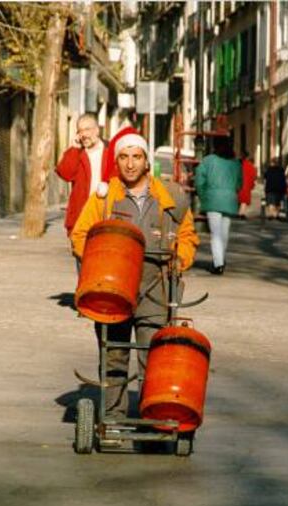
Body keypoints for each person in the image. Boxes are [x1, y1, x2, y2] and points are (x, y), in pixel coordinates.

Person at [71, 133, 199, 418]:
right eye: (124, 157)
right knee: (114, 354)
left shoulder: (171, 198)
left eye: (136, 157)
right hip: (112, 291)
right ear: (116, 161)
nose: (130, 164)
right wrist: (98, 259)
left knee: (153, 357)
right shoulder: (104, 199)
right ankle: (113, 417)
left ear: (146, 161)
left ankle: (150, 416)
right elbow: (80, 235)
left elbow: (187, 235)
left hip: (157, 289)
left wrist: (181, 257)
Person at [194, 136, 242, 275]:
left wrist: (203, 196)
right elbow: (239, 183)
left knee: (215, 234)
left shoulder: (208, 161)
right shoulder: (235, 163)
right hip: (229, 199)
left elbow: (199, 181)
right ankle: (221, 259)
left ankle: (218, 264)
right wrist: (232, 192)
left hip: (212, 199)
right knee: (224, 232)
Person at [55, 113, 108, 239]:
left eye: (87, 129)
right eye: (80, 131)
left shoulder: (110, 151)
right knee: (81, 256)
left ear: (97, 130)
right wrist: (74, 149)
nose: (83, 134)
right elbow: (65, 174)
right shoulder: (77, 153)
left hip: (105, 214)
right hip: (81, 215)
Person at [238, 151, 257, 219]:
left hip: (238, 185)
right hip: (246, 185)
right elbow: (253, 176)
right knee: (244, 201)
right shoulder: (250, 166)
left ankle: (239, 212)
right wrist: (252, 185)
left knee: (239, 199)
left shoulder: (236, 164)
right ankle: (242, 213)